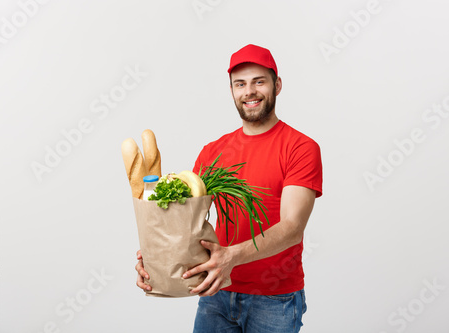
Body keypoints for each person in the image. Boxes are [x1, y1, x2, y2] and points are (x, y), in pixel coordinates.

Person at [135, 44, 323, 333]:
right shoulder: (213, 152)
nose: (249, 91)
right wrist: (156, 259)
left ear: (277, 85)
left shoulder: (300, 148)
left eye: (259, 81)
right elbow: (186, 225)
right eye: (240, 84)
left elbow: (293, 227)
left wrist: (231, 256)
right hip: (216, 294)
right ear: (233, 91)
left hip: (275, 299)